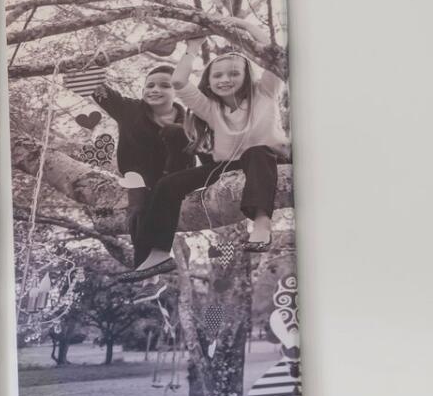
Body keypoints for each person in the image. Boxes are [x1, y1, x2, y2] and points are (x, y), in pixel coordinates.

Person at [131, 45, 292, 255]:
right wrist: (193, 46)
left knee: (256, 153)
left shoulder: (264, 92)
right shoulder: (210, 108)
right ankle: (155, 255)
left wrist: (242, 31)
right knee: (167, 184)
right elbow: (178, 81)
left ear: (247, 76)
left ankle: (262, 225)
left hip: (268, 159)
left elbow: (277, 55)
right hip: (230, 165)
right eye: (217, 75)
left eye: (234, 73)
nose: (224, 79)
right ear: (209, 82)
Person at [59, 56, 203, 272]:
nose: (155, 90)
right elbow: (99, 91)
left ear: (177, 91)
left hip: (176, 175)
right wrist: (75, 67)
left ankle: (154, 256)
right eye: (150, 85)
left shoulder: (190, 120)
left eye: (165, 86)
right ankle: (145, 264)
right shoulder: (130, 109)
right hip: (139, 176)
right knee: (138, 209)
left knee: (176, 134)